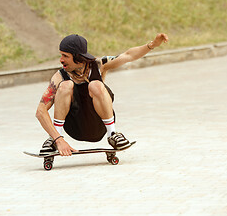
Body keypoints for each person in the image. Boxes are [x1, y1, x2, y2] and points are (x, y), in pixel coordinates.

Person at [36, 33, 169, 156]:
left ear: (77, 57)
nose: (61, 60)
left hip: (98, 125)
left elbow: (128, 55)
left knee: (95, 85)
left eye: (65, 56)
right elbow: (40, 111)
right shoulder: (59, 76)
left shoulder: (99, 65)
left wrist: (152, 45)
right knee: (65, 85)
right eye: (61, 55)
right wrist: (58, 139)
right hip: (75, 127)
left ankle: (112, 134)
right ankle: (54, 140)